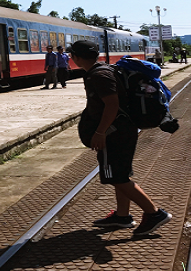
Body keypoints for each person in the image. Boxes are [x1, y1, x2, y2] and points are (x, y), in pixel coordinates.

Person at [67, 39, 171, 235]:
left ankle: (154, 213)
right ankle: (122, 216)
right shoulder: (102, 70)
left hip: (114, 133)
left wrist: (100, 132)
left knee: (116, 177)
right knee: (120, 174)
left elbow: (112, 105)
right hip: (121, 130)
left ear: (76, 57)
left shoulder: (99, 75)